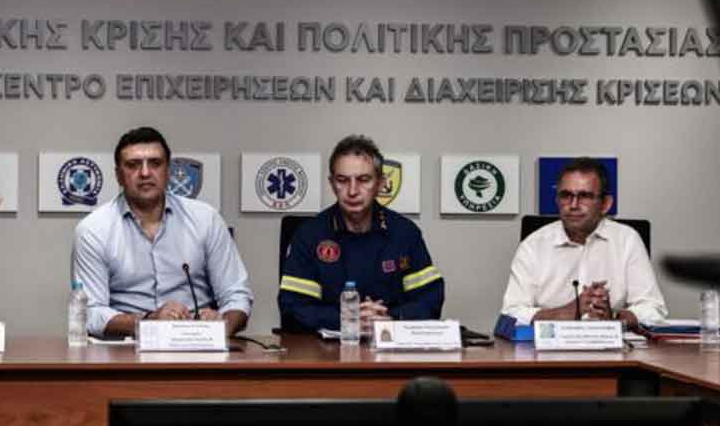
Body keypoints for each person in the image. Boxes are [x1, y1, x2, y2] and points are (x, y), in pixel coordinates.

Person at [71, 127, 253, 338]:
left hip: (197, 342)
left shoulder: (206, 219)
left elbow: (237, 295)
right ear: (118, 175)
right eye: (133, 165)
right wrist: (148, 321)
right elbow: (90, 312)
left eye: (155, 163)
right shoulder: (93, 229)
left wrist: (223, 324)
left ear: (168, 171)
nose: (145, 173)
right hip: (126, 346)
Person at [279, 135, 444, 332]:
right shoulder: (308, 235)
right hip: (326, 348)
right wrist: (346, 319)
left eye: (363, 180)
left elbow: (431, 299)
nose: (352, 191)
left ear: (380, 183)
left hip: (390, 343)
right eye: (342, 180)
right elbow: (292, 307)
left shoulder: (405, 233)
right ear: (332, 184)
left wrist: (391, 318)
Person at [500, 157, 667, 328]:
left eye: (584, 196)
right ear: (557, 200)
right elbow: (510, 313)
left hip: (610, 342)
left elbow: (654, 310)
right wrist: (565, 312)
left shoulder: (627, 240)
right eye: (566, 195)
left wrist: (615, 317)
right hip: (550, 342)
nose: (573, 205)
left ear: (605, 204)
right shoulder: (533, 245)